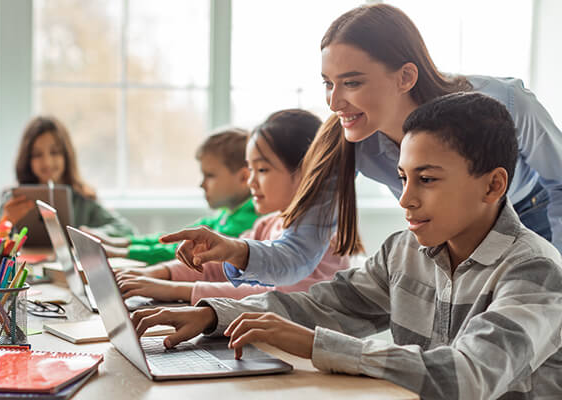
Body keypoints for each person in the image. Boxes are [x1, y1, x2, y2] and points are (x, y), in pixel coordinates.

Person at [132, 93, 562, 400]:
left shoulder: (535, 272)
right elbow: (320, 305)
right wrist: (212, 314)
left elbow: (467, 378)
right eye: (403, 177)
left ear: (493, 185)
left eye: (426, 179)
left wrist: (317, 344)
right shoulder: (403, 251)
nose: (405, 198)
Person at [159, 3, 562, 288]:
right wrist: (233, 250)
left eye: (352, 83)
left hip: (533, 219)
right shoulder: (349, 140)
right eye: (328, 84)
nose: (334, 103)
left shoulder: (505, 102)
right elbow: (300, 253)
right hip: (449, 235)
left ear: (405, 76)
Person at [115, 110, 349, 304]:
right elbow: (217, 266)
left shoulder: (323, 239)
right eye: (251, 170)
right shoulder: (266, 225)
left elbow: (276, 298)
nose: (250, 181)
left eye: (262, 170)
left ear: (304, 171)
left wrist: (173, 290)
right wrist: (154, 275)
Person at [85, 129, 258, 264]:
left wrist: (118, 252)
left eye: (210, 176)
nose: (201, 184)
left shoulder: (250, 219)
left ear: (243, 178)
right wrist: (122, 242)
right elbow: (174, 239)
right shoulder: (225, 214)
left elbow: (182, 253)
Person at [0, 116, 135, 237]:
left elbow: (126, 230)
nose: (47, 162)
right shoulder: (14, 198)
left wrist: (91, 234)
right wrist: (6, 222)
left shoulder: (83, 199)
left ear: (66, 155)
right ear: (27, 159)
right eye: (37, 155)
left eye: (55, 152)